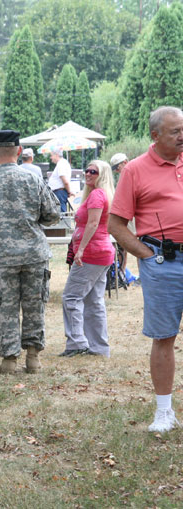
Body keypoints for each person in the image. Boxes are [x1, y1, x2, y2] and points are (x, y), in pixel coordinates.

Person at [108, 106, 183, 433]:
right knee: (164, 336)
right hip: (163, 262)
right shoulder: (135, 170)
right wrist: (146, 256)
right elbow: (116, 223)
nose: (182, 136)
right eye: (174, 131)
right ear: (155, 136)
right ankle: (164, 412)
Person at [0, 130, 61, 374]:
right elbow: (52, 215)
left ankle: (9, 360)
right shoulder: (33, 179)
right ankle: (33, 358)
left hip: (1, 257)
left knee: (5, 308)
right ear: (19, 152)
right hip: (34, 254)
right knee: (34, 305)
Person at [60, 160, 115, 357]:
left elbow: (92, 224)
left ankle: (77, 342)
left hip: (92, 253)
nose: (88, 173)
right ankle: (99, 347)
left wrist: (80, 250)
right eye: (87, 170)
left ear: (103, 175)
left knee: (71, 297)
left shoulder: (97, 195)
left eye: (94, 171)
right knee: (94, 301)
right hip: (102, 253)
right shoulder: (101, 194)